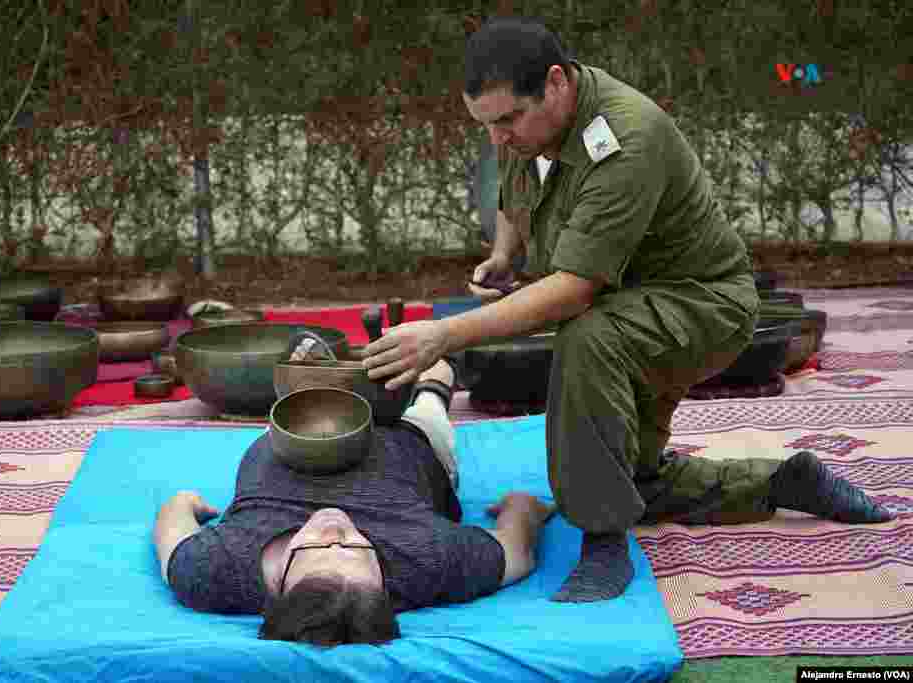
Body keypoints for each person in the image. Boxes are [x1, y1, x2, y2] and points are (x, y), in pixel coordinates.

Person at [362, 17, 894, 604]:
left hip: (702, 304)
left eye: (507, 120)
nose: (498, 139)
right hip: (629, 301)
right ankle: (783, 480)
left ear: (557, 83)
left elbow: (572, 292)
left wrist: (443, 336)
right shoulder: (527, 127)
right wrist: (504, 255)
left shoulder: (625, 136)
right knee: (635, 479)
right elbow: (517, 191)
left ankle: (603, 540)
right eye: (485, 125)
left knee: (587, 338)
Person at [153, 356, 554, 647]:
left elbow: (172, 526)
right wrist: (523, 508)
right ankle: (435, 387)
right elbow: (516, 554)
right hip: (403, 435)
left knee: (305, 361)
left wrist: (184, 503)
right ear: (385, 586)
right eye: (358, 549)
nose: (337, 527)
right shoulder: (428, 562)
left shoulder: (213, 571)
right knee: (429, 399)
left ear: (277, 587)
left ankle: (324, 364)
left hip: (297, 426)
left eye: (321, 547)